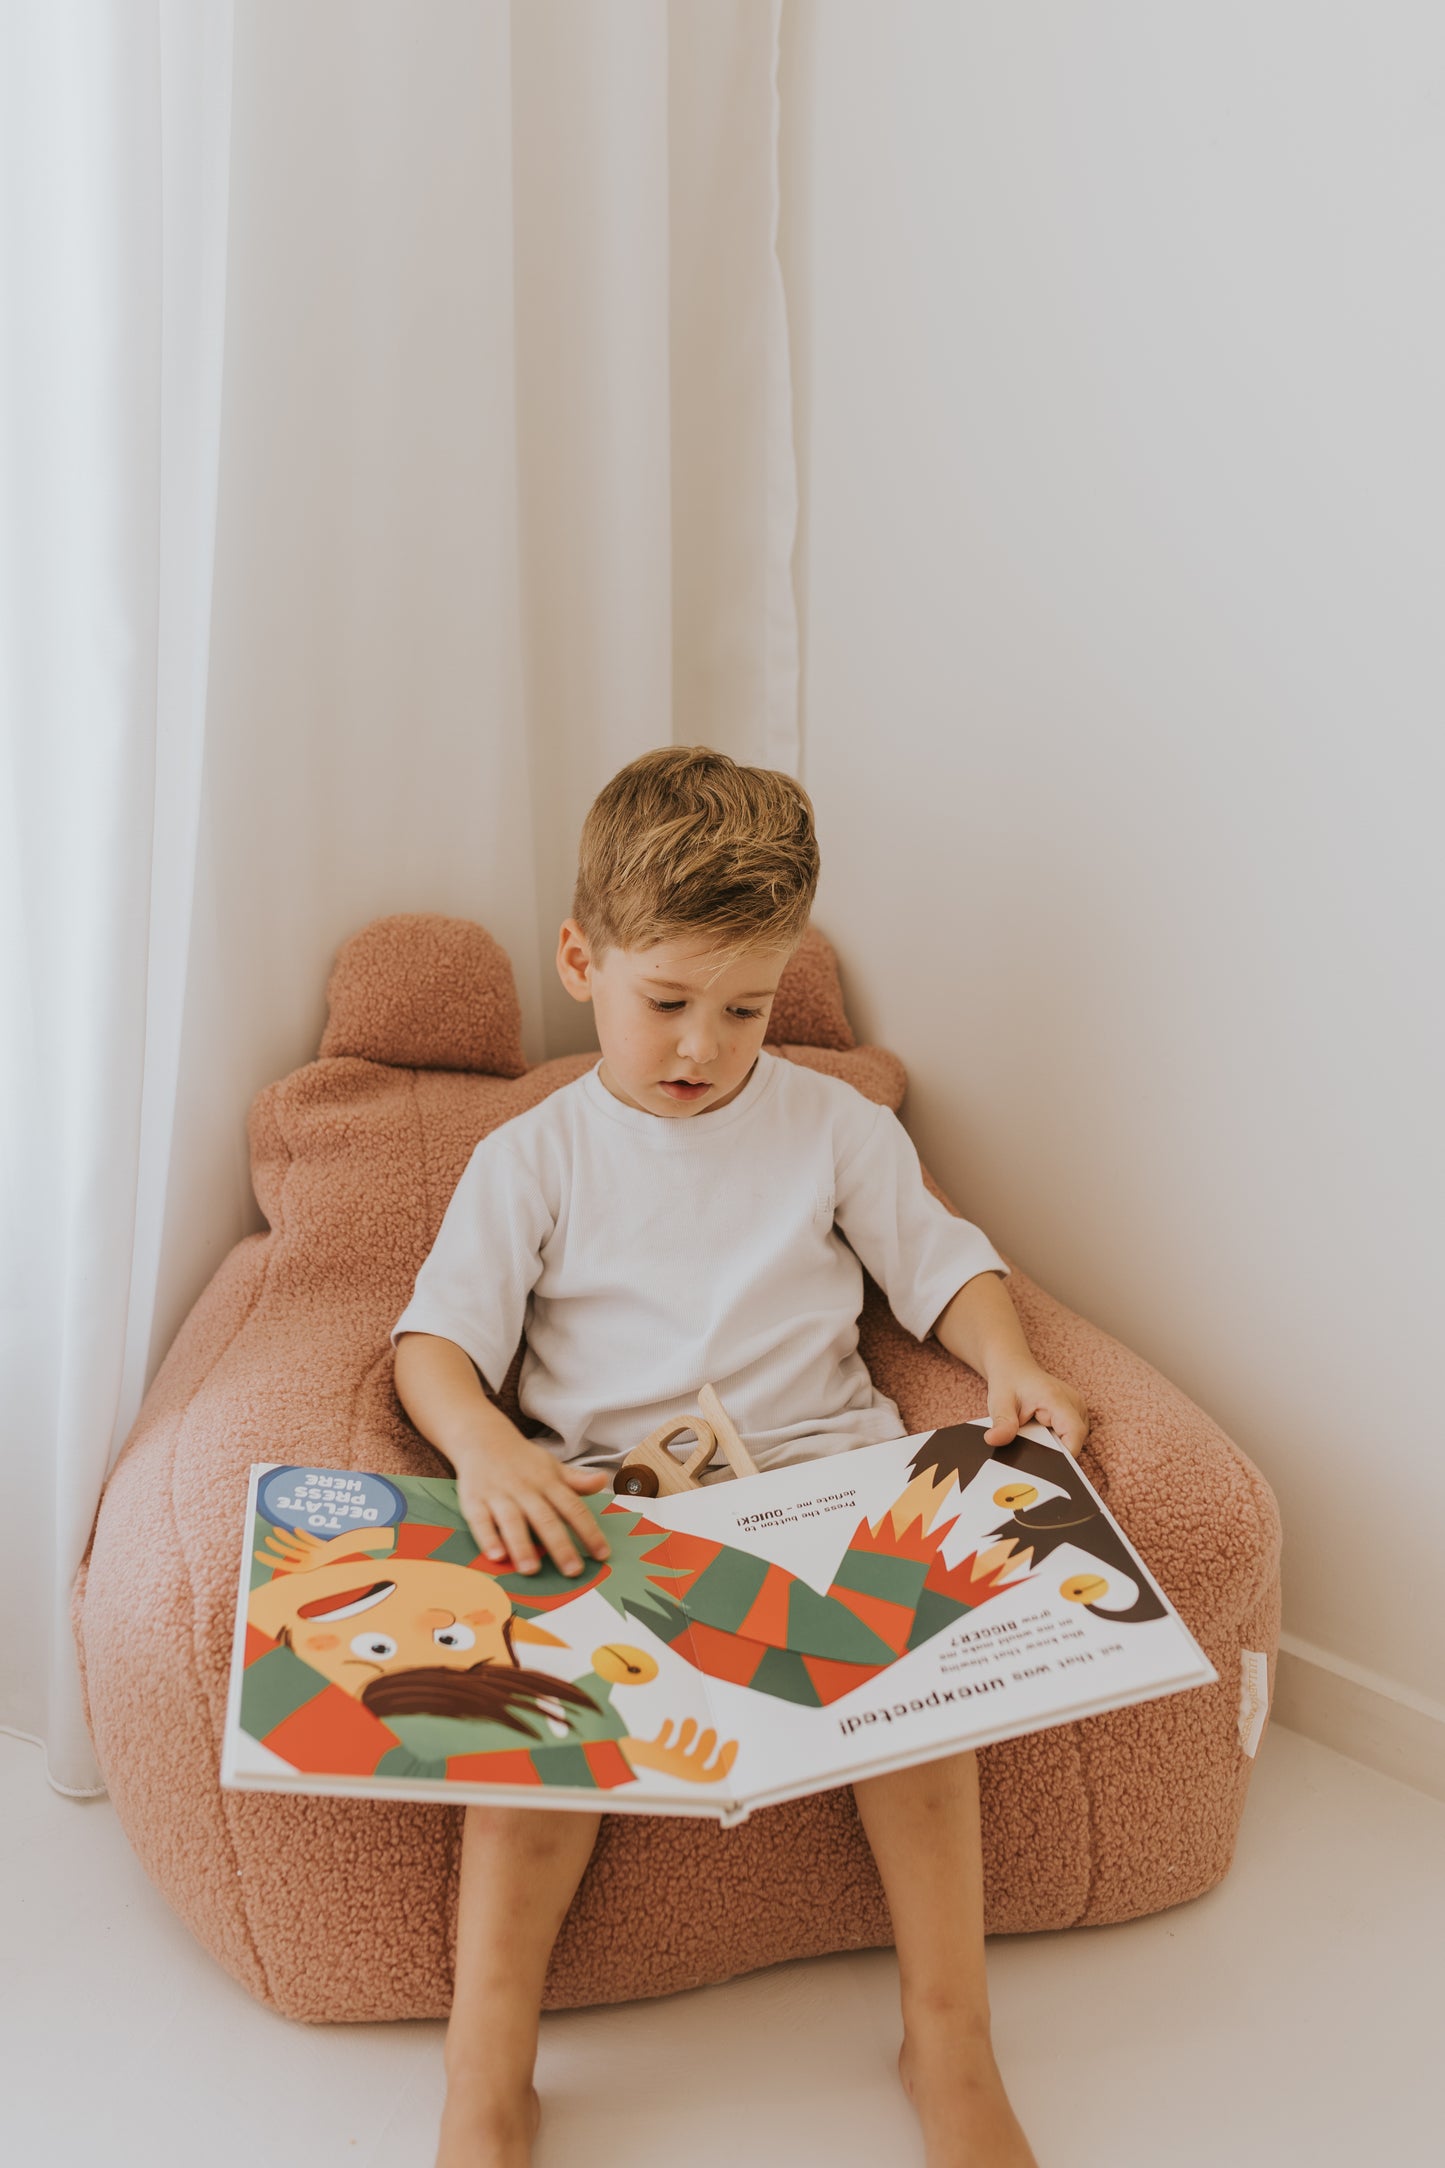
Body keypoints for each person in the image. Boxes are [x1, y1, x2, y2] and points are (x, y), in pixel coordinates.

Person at [391, 745, 1090, 2168]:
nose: (704, 1047)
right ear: (581, 959)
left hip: (829, 1481)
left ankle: (947, 2035)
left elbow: (940, 1267)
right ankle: (488, 2072)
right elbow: (432, 1345)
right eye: (666, 1004)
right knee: (523, 1748)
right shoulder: (530, 1158)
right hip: (614, 1508)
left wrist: (1006, 1357)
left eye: (746, 1007)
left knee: (919, 1710)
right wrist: (484, 1452)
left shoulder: (835, 1124)